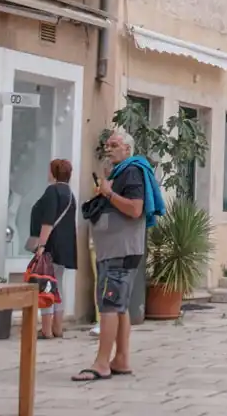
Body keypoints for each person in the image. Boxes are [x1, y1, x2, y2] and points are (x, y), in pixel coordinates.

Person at [73, 129, 160, 382]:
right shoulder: (121, 172)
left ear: (127, 149)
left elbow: (135, 209)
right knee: (119, 306)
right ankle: (121, 359)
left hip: (120, 252)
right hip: (115, 250)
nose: (108, 148)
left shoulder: (131, 171)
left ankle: (102, 363)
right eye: (107, 144)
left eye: (114, 144)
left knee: (109, 305)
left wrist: (108, 193)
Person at [26, 158, 78, 339]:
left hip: (51, 246)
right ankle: (58, 327)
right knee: (58, 285)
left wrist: (41, 245)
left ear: (54, 172)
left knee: (46, 285)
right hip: (65, 247)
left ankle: (47, 329)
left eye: (49, 170)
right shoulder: (70, 194)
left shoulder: (52, 191)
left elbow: (48, 221)